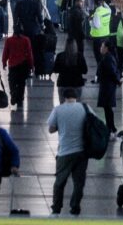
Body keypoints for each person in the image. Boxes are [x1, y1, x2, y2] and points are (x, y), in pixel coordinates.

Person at [48, 88, 89, 216]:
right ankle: (75, 207)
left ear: (64, 97)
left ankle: (56, 209)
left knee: (60, 181)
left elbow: (51, 129)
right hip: (82, 152)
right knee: (78, 182)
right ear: (76, 97)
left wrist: (62, 125)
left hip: (64, 152)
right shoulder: (85, 108)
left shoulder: (58, 110)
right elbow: (93, 124)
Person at [2, 24, 34, 108]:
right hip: (23, 65)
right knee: (21, 83)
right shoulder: (26, 40)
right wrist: (31, 65)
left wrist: (4, 62)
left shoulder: (9, 40)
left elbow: (5, 52)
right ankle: (20, 99)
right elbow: (29, 54)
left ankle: (13, 94)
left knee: (12, 81)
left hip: (12, 65)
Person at [96, 40, 121, 137]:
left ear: (106, 48)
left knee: (108, 108)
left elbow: (112, 72)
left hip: (107, 86)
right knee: (107, 108)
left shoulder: (108, 58)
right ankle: (111, 127)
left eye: (102, 46)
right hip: (108, 85)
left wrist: (117, 81)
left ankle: (111, 128)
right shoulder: (108, 57)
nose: (100, 48)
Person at [53, 38, 88, 103]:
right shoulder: (79, 56)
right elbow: (85, 70)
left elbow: (55, 69)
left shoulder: (60, 56)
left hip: (63, 83)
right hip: (77, 84)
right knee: (76, 105)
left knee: (63, 105)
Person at [90, 0, 111, 65]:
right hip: (106, 37)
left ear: (95, 4)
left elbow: (97, 26)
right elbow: (108, 7)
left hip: (98, 39)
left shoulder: (97, 14)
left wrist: (90, 21)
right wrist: (103, 2)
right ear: (102, 3)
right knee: (105, 56)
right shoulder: (108, 11)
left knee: (98, 58)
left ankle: (100, 73)